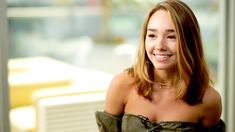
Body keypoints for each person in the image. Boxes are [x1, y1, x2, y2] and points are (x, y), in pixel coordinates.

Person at [95, 0, 225, 131]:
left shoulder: (209, 100)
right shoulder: (122, 84)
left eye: (171, 37)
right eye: (152, 35)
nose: (160, 46)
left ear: (189, 41)